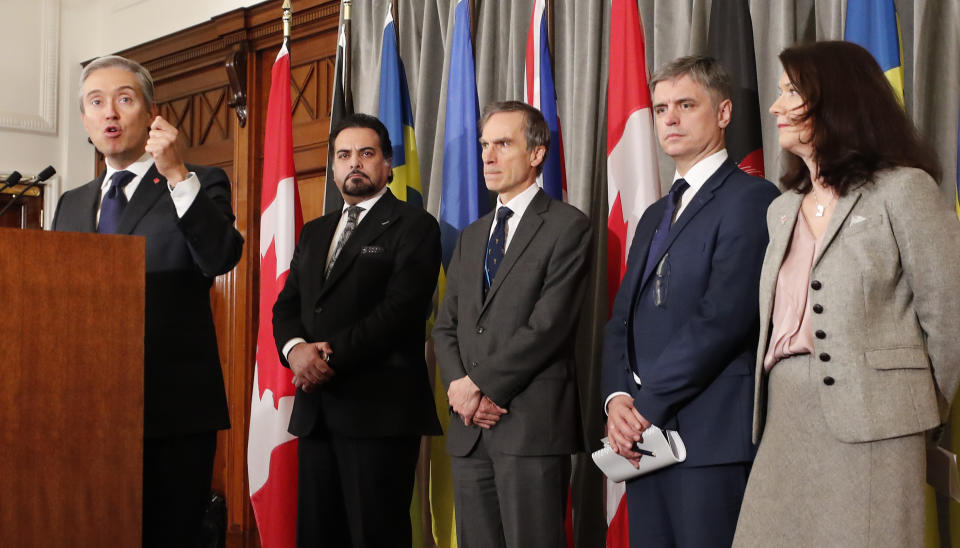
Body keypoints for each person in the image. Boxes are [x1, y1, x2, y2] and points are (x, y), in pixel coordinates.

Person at [733, 40, 960, 547]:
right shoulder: (781, 209)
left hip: (878, 423)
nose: (775, 107)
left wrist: (913, 411)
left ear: (834, 97)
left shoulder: (904, 189)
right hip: (785, 420)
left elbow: (950, 316)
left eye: (790, 91)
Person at [51, 55, 243, 547]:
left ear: (152, 112)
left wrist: (177, 173)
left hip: (172, 410)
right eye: (96, 103)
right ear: (85, 122)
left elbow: (221, 256)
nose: (110, 113)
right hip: (86, 411)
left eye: (124, 98)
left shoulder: (199, 180)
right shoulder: (71, 202)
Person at [601, 56, 779, 548]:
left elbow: (723, 320)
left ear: (723, 113)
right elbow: (621, 321)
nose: (670, 119)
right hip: (644, 437)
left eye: (685, 105)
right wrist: (617, 399)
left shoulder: (752, 198)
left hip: (709, 437)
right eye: (660, 109)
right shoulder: (657, 212)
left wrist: (645, 407)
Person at [272, 113, 442, 547]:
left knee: (375, 536)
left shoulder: (414, 225)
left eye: (366, 154)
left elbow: (400, 312)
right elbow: (287, 306)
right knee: (317, 535)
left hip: (379, 413)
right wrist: (295, 352)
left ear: (387, 164)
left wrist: (324, 358)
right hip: (317, 413)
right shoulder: (315, 232)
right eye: (344, 155)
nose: (355, 164)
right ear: (333, 167)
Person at [433, 101, 592, 547]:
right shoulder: (471, 235)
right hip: (470, 431)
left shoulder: (568, 226)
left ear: (537, 153)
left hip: (530, 426)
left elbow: (549, 327)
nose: (487, 156)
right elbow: (447, 326)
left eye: (502, 144)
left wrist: (479, 385)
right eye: (485, 145)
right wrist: (461, 390)